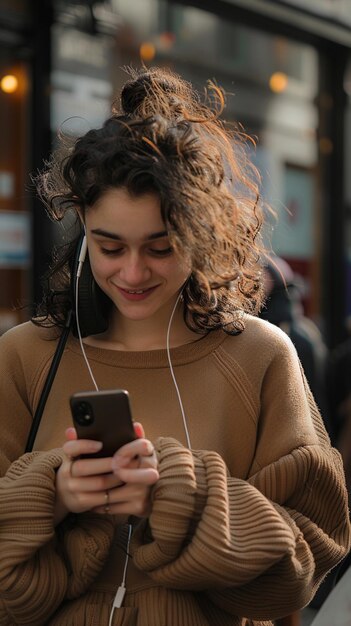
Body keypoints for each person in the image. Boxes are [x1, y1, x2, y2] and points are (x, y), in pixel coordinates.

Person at [0, 66, 350, 626]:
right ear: (83, 234)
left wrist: (173, 499)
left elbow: (304, 562)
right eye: (109, 246)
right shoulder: (24, 355)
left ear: (201, 236)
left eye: (160, 248)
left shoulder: (259, 355)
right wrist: (54, 492)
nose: (133, 272)